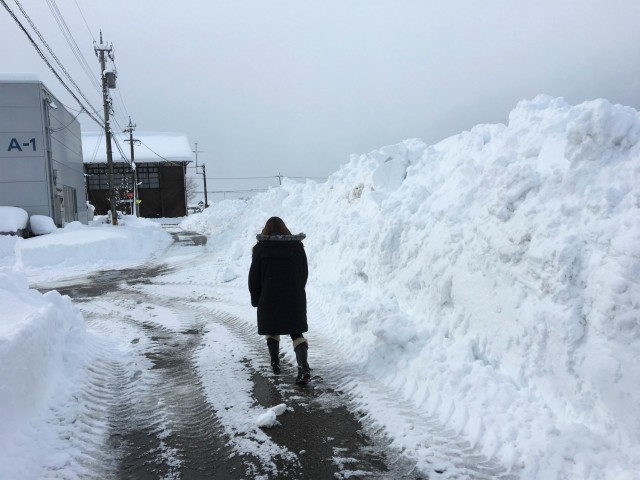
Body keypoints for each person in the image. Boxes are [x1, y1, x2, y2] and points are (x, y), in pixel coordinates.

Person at [248, 216, 311, 384]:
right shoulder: (297, 246)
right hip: (294, 296)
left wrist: (256, 298)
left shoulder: (261, 248)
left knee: (272, 329)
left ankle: (275, 363)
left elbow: (253, 277)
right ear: (285, 228)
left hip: (269, 296)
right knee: (296, 332)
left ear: (266, 230)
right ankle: (303, 366)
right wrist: (297, 288)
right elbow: (304, 272)